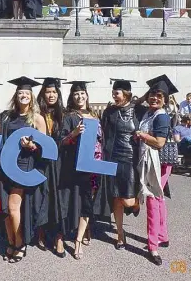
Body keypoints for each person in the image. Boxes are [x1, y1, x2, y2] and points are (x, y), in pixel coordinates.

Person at [0, 76, 47, 263]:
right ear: (15, 96)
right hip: (5, 165)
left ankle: (20, 244)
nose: (23, 95)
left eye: (26, 93)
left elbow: (45, 146)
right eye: (20, 93)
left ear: (31, 96)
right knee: (5, 208)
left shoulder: (37, 118)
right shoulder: (7, 117)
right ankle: (11, 241)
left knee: (13, 207)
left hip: (23, 167)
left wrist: (32, 146)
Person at [136, 74, 178, 266]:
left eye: (159, 96)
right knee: (159, 198)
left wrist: (142, 135)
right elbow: (137, 104)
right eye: (152, 94)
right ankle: (162, 236)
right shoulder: (148, 112)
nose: (154, 98)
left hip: (158, 162)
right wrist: (147, 95)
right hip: (153, 160)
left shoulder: (161, 116)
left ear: (165, 100)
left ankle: (153, 246)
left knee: (152, 199)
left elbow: (159, 143)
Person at [59, 80, 101, 260]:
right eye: (76, 94)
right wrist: (74, 133)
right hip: (78, 165)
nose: (80, 96)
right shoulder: (69, 116)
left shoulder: (94, 115)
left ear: (87, 95)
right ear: (72, 97)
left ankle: (84, 230)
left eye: (82, 93)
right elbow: (61, 141)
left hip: (95, 165)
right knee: (80, 200)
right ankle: (77, 241)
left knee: (88, 201)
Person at [101, 79, 141, 250]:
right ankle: (119, 235)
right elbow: (103, 132)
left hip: (131, 158)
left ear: (126, 94)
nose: (113, 95)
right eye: (113, 92)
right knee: (116, 198)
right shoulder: (109, 111)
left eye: (116, 93)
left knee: (128, 201)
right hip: (112, 157)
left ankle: (137, 203)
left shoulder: (138, 110)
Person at [36, 77, 66, 257]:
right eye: (48, 91)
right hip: (42, 161)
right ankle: (40, 232)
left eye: (54, 92)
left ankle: (59, 237)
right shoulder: (37, 113)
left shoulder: (64, 113)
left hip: (61, 162)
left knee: (60, 199)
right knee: (43, 197)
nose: (51, 94)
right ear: (43, 94)